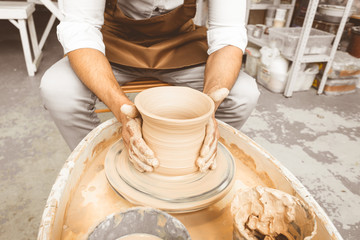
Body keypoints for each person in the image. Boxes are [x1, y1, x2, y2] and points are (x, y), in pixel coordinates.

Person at [40, 0, 260, 172]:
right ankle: (99, 164)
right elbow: (81, 28)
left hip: (180, 45)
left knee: (243, 94)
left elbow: (228, 32)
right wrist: (122, 110)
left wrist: (207, 108)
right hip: (111, 46)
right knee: (59, 90)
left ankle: (201, 158)